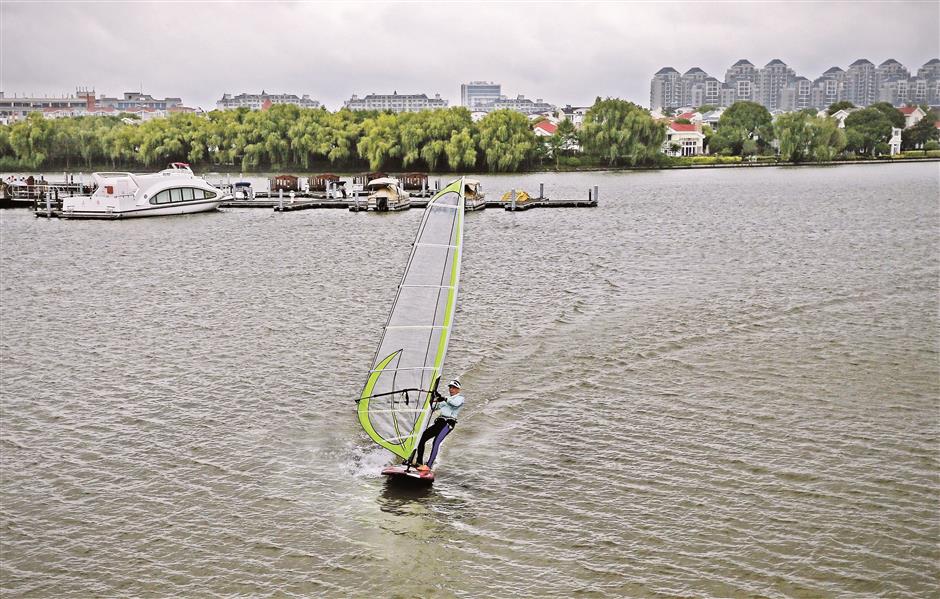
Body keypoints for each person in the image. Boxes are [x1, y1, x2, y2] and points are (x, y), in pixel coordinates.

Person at [412, 379, 464, 471]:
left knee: (436, 442)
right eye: (450, 387)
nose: (451, 389)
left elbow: (455, 404)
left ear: (458, 390)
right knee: (423, 437)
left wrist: (444, 398)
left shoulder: (460, 398)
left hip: (448, 424)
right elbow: (434, 408)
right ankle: (419, 461)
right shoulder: (446, 399)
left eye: (454, 388)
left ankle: (428, 466)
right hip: (439, 422)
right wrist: (433, 398)